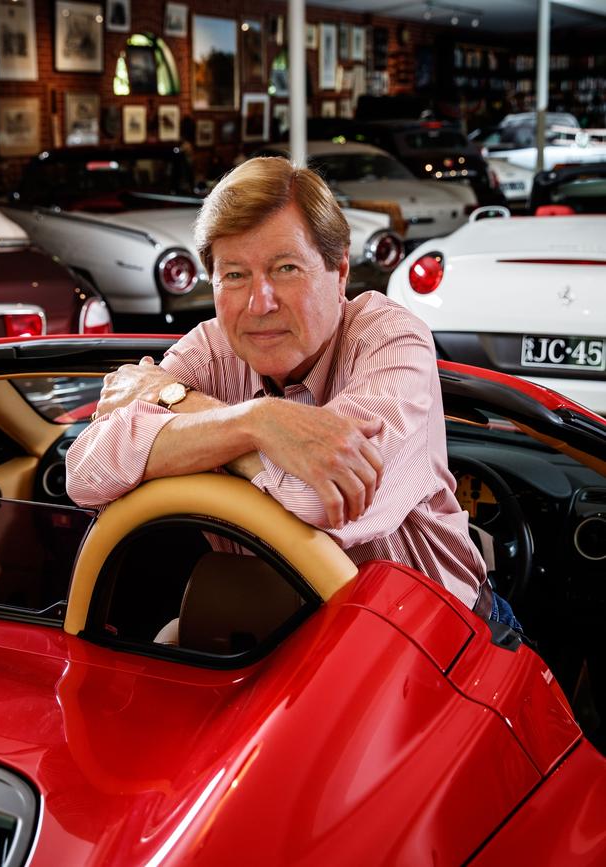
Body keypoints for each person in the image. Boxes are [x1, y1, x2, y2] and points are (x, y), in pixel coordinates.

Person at [66, 156, 512, 624]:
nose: (259, 304)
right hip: (272, 630)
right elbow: (86, 473)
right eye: (235, 275)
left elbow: (324, 497)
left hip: (436, 638)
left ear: (339, 271)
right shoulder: (211, 348)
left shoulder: (390, 339)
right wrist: (256, 424)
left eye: (285, 269)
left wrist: (205, 417)